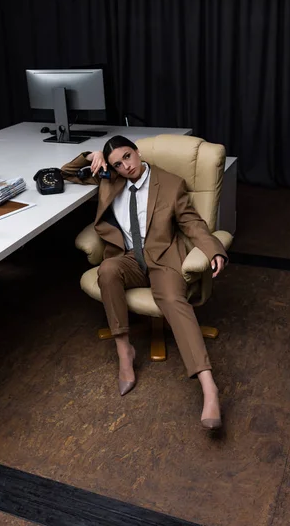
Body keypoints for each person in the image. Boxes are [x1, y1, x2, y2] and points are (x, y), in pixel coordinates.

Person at [61, 135, 227, 429]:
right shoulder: (109, 180)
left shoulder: (171, 184)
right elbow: (65, 174)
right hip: (127, 258)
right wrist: (91, 156)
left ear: (137, 152)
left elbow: (193, 224)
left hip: (163, 259)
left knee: (174, 302)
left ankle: (208, 386)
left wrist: (213, 249)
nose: (125, 166)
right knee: (107, 271)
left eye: (127, 157)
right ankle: (124, 350)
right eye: (117, 164)